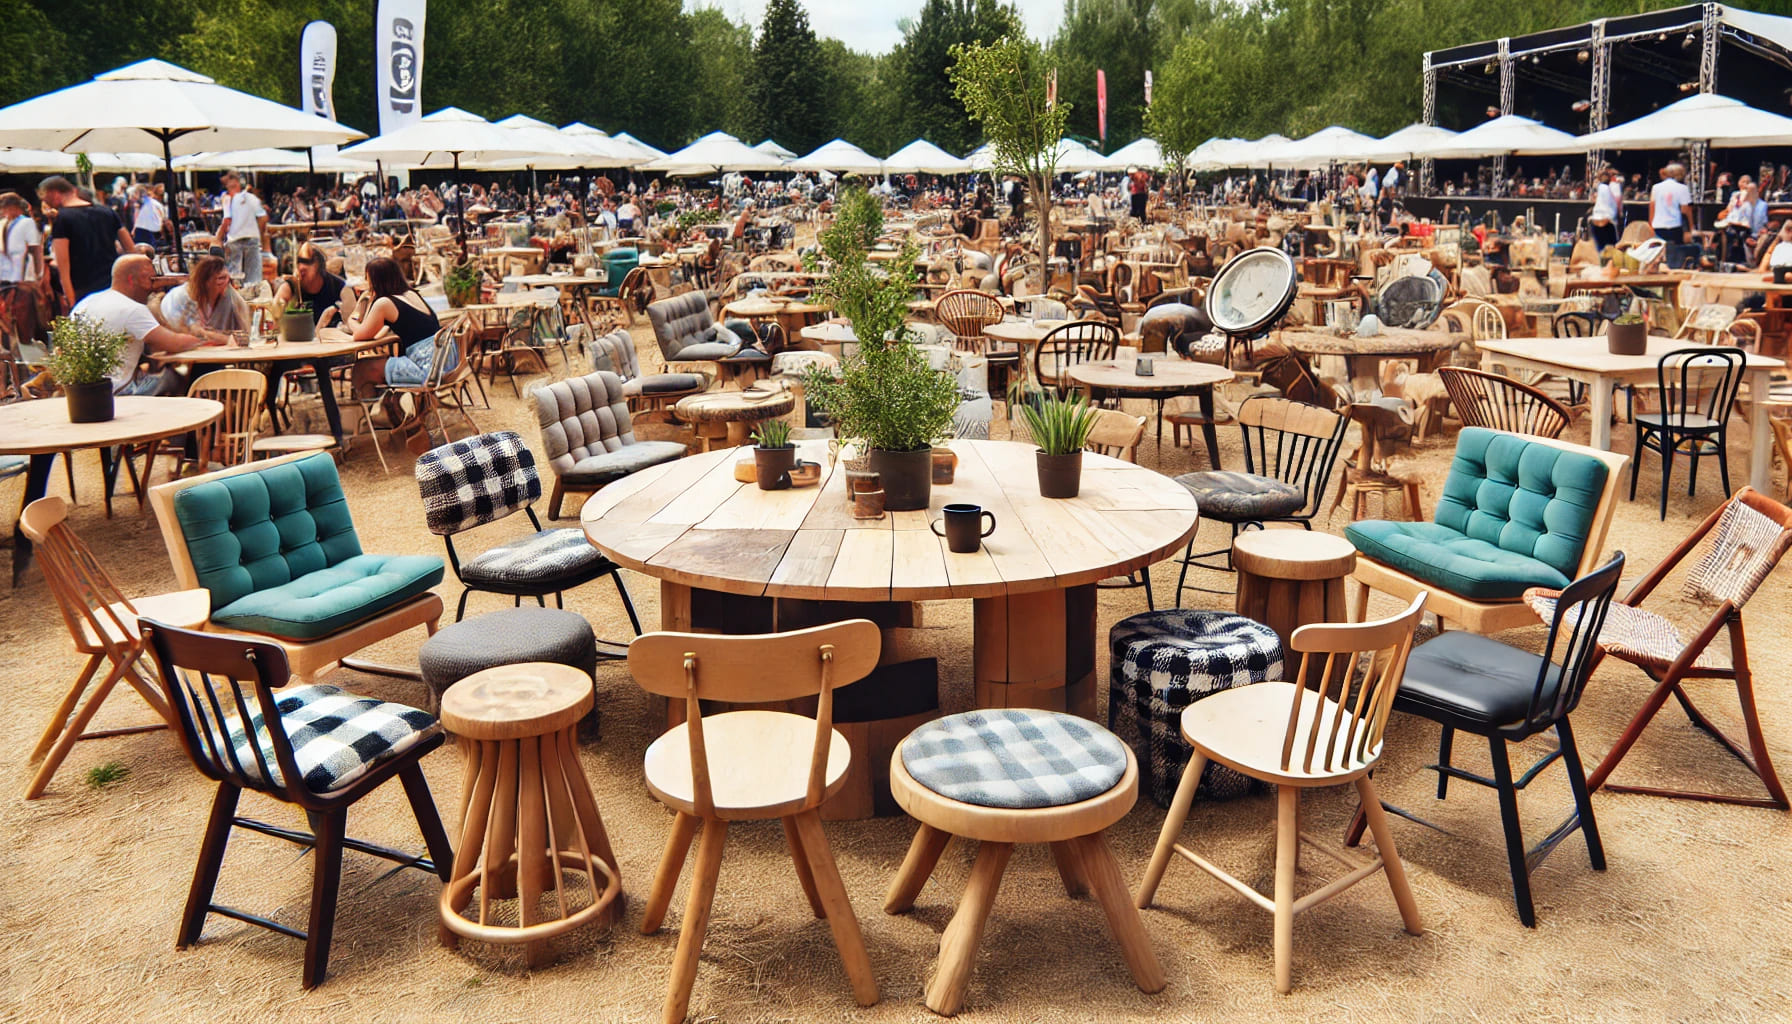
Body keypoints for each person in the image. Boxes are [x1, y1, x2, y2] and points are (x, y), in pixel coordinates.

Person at [70, 254, 219, 395]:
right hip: (119, 391)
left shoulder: (86, 302)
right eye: (150, 280)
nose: (154, 287)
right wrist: (203, 338)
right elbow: (176, 344)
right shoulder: (132, 309)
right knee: (174, 377)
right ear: (131, 279)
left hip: (78, 391)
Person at [343, 256, 448, 427]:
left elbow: (360, 335)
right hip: (443, 360)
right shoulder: (411, 294)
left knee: (362, 369)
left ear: (375, 281)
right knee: (379, 363)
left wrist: (353, 317)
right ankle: (389, 408)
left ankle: (374, 417)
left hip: (425, 368)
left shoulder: (384, 303)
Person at [39, 175, 135, 311]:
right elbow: (131, 250)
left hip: (83, 289)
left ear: (53, 193)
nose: (45, 203)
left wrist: (70, 300)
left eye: (44, 198)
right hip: (114, 283)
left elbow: (63, 266)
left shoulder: (63, 219)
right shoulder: (107, 212)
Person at [159, 254, 248, 338]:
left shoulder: (228, 295)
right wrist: (225, 339)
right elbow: (190, 335)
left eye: (227, 278)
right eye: (221, 278)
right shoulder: (181, 298)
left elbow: (243, 331)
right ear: (205, 281)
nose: (226, 283)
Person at [273, 242, 357, 327]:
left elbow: (352, 322)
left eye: (308, 262)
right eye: (299, 262)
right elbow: (274, 314)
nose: (302, 267)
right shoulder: (291, 287)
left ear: (319, 264)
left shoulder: (339, 287)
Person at [217, 171, 269, 283]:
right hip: (252, 238)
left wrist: (219, 238)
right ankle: (253, 299)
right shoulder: (252, 198)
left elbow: (226, 219)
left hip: (234, 240)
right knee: (253, 278)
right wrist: (258, 232)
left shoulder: (227, 199)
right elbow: (263, 218)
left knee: (234, 277)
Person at [1717, 176, 1769, 265]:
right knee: (1725, 232)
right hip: (1739, 226)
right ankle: (1723, 259)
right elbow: (1734, 214)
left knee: (1740, 233)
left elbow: (1763, 221)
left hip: (1752, 230)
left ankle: (1743, 260)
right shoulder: (1741, 201)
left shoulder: (1762, 205)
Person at [1649, 163, 1694, 246]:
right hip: (1675, 225)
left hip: (1658, 225)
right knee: (1676, 251)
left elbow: (1652, 207)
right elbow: (1685, 210)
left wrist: (1651, 226)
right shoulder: (1683, 188)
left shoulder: (1656, 187)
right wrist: (1691, 227)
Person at [1588, 164, 1623, 251]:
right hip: (1608, 220)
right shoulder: (1614, 186)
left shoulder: (1599, 187)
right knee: (1612, 247)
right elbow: (1618, 202)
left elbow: (1594, 199)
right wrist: (1620, 213)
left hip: (1596, 219)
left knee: (1599, 248)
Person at [128, 184, 167, 250]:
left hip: (145, 231)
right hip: (149, 230)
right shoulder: (150, 203)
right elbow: (162, 217)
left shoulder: (145, 203)